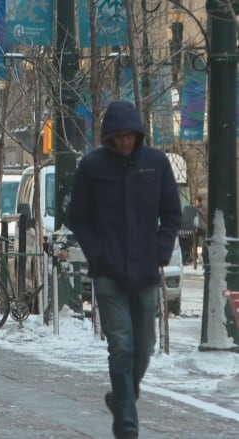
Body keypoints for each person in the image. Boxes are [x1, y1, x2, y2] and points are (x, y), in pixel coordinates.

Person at [67, 100, 181, 439]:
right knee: (121, 345)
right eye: (117, 137)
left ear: (138, 135)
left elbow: (172, 214)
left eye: (129, 136)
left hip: (146, 270)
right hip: (108, 272)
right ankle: (127, 421)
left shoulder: (156, 164)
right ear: (109, 137)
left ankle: (121, 397)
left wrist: (161, 250)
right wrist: (96, 253)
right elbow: (78, 217)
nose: (124, 142)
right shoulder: (92, 166)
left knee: (144, 347)